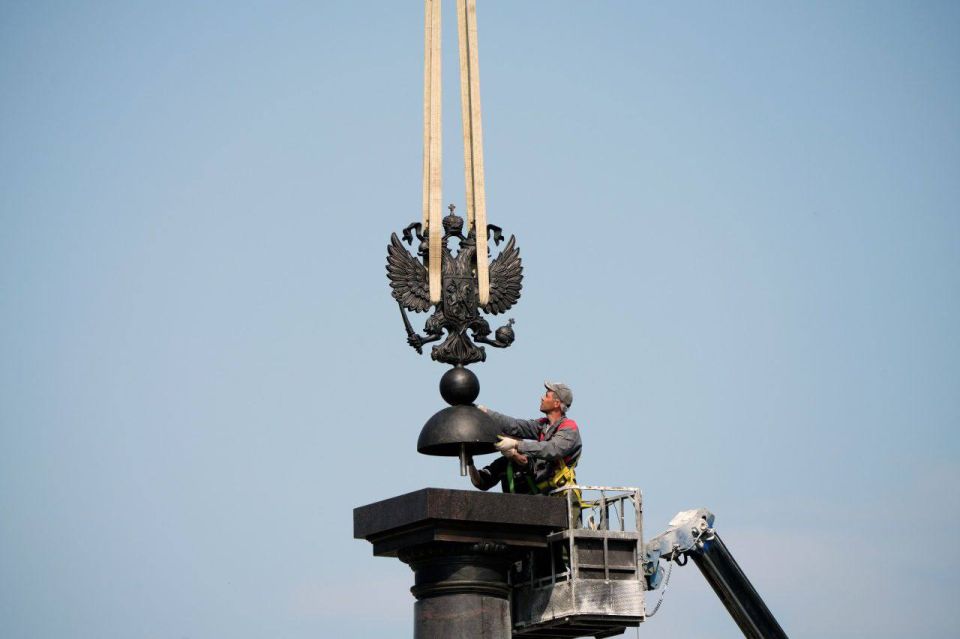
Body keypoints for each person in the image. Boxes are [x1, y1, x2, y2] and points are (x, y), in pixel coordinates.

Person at [468, 382, 581, 495]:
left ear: (556, 403)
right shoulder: (543, 426)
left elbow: (552, 449)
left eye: (547, 395)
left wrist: (516, 445)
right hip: (546, 496)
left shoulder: (569, 428)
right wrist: (482, 411)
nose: (542, 398)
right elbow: (514, 426)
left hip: (561, 498)